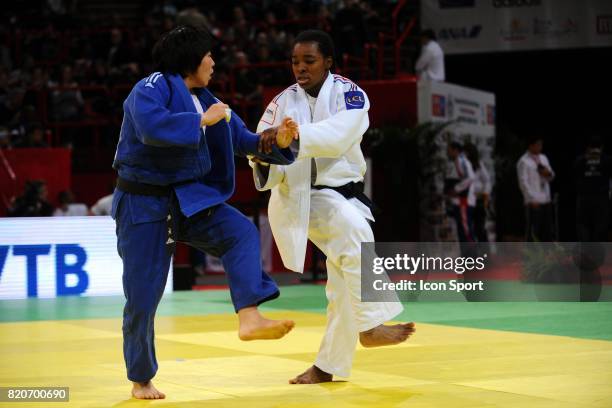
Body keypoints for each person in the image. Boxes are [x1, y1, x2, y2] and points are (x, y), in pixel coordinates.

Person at [111, 26, 298, 400]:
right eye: (208, 55)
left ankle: (249, 316)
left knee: (239, 232)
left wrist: (276, 140)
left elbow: (243, 141)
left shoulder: (208, 100)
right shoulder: (150, 88)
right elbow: (151, 128)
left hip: (188, 198)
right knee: (143, 298)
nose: (213, 61)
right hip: (143, 203)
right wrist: (201, 121)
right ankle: (141, 377)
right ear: (190, 59)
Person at [250, 29, 415, 385]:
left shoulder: (349, 94)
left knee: (342, 284)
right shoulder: (280, 103)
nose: (300, 68)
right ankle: (370, 324)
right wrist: (267, 150)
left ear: (328, 61)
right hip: (301, 196)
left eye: (309, 61)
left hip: (344, 191)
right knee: (353, 231)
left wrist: (292, 138)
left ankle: (327, 366)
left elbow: (341, 135)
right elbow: (262, 147)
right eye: (295, 61)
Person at [573, 134, 612, 242]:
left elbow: (574, 174)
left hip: (584, 199)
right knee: (600, 227)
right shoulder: (608, 160)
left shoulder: (580, 160)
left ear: (588, 147)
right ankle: (597, 256)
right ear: (602, 147)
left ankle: (586, 255)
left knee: (583, 227)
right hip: (601, 200)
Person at [517, 136, 555, 241]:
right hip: (533, 202)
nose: (540, 147)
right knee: (534, 232)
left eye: (541, 145)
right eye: (538, 145)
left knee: (547, 231)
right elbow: (523, 183)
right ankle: (532, 256)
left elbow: (551, 176)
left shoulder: (543, 158)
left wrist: (548, 174)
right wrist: (531, 199)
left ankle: (547, 255)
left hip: (546, 199)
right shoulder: (523, 161)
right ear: (531, 145)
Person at [445, 141, 476, 243]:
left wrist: (456, 189)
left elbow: (470, 178)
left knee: (465, 232)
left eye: (449, 150)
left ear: (456, 150)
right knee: (462, 232)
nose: (447, 153)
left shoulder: (462, 161)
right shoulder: (457, 162)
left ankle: (471, 257)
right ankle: (466, 257)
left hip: (464, 202)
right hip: (459, 201)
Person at [464, 142, 491, 242]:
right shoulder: (462, 165)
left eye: (465, 153)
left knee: (480, 229)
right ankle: (472, 256)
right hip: (466, 200)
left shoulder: (479, 165)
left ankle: (485, 256)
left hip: (478, 200)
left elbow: (487, 180)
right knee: (468, 230)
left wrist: (485, 194)